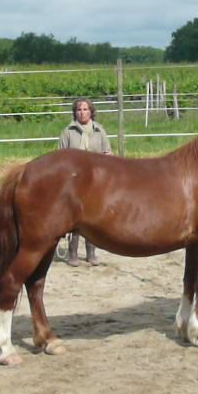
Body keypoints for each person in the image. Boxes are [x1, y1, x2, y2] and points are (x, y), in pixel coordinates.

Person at [58, 97, 112, 267]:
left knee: (93, 216)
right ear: (75, 112)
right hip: (75, 181)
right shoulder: (68, 132)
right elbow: (60, 157)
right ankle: (72, 253)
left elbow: (107, 154)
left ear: (91, 111)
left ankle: (91, 252)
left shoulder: (99, 131)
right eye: (79, 110)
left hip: (95, 181)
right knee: (75, 216)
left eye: (85, 109)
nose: (82, 113)